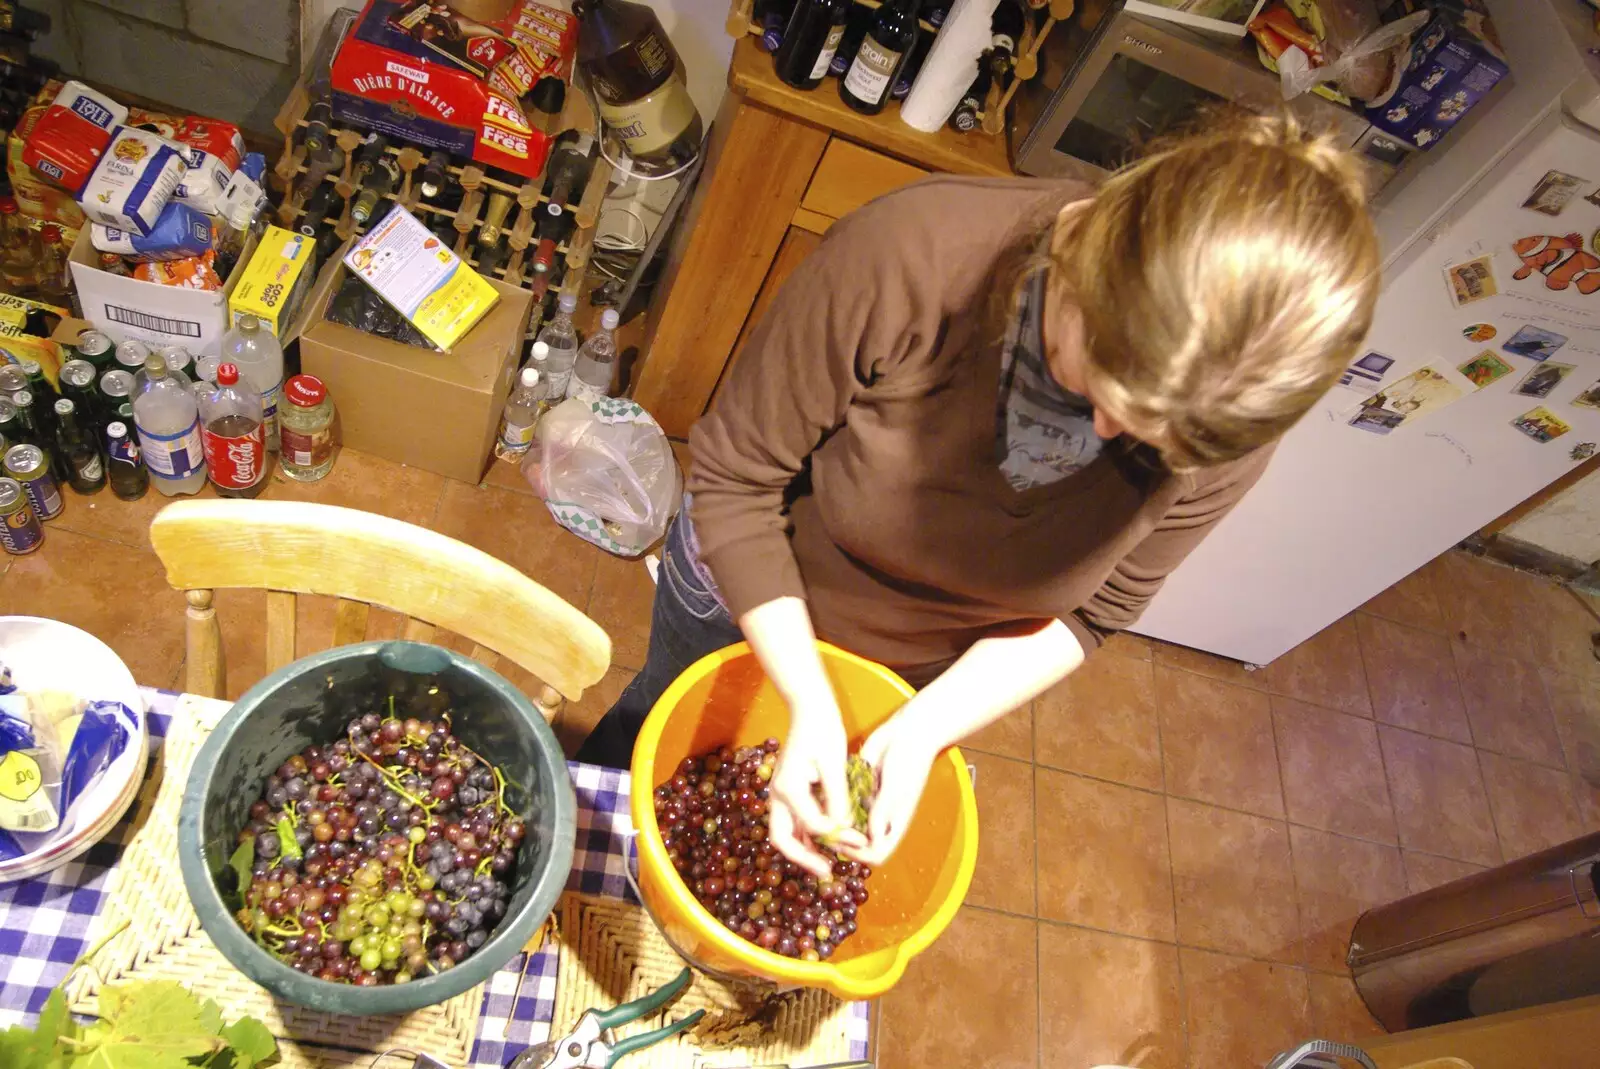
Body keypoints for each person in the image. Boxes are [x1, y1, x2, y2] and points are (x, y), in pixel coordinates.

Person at [576, 114, 1380, 879]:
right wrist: (805, 691)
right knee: (645, 743)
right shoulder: (912, 258)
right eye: (1099, 385)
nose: (1102, 434)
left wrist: (923, 727)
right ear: (1086, 262)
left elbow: (1096, 612)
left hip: (918, 673)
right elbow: (736, 477)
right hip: (743, 589)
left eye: (1148, 441)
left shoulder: (1224, 426)